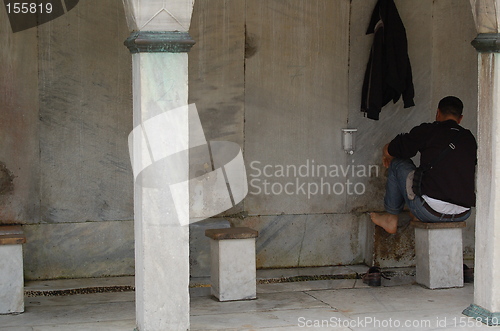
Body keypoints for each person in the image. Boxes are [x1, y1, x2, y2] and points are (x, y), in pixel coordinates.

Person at [370, 96, 477, 234]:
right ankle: (417, 213)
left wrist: (386, 154)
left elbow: (391, 150)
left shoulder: (429, 131)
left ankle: (391, 217)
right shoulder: (469, 138)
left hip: (430, 211)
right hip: (463, 213)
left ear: (437, 113)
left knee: (398, 163)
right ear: (460, 118)